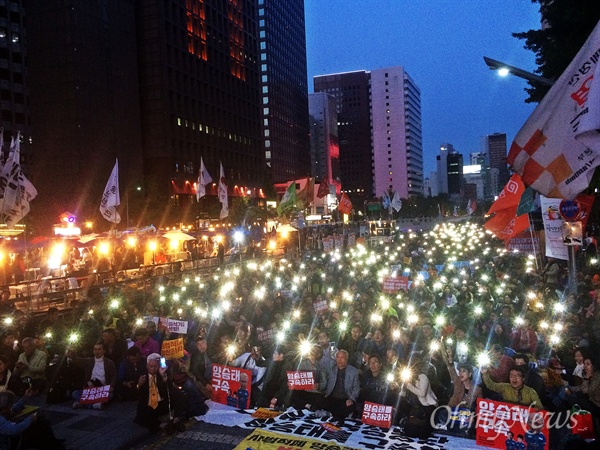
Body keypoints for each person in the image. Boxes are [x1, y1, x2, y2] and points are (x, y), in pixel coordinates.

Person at [134, 353, 186, 434]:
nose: (154, 369)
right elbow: (136, 392)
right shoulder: (142, 375)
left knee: (179, 394)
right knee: (144, 415)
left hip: (162, 402)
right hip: (150, 404)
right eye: (151, 366)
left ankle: (176, 420)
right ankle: (163, 425)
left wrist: (164, 379)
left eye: (156, 366)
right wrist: (139, 385)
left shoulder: (163, 372)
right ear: (147, 366)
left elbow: (169, 390)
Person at [0, 389, 65, 449]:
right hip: (5, 444)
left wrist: (25, 397)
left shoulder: (4, 410)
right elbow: (14, 430)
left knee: (41, 421)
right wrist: (30, 419)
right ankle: (51, 445)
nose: (11, 407)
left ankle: (52, 442)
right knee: (34, 426)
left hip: (7, 437)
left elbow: (15, 408)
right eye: (10, 404)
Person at [71, 341, 117, 409]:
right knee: (75, 393)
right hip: (90, 389)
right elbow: (77, 360)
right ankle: (94, 405)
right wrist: (72, 352)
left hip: (102, 389)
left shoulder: (109, 363)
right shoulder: (89, 361)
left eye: (99, 349)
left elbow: (114, 376)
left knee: (110, 395)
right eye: (95, 349)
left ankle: (83, 403)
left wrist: (111, 387)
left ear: (104, 351)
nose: (97, 351)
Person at [323, 349, 360, 425]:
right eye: (338, 357)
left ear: (346, 359)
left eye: (342, 357)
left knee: (348, 407)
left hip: (346, 398)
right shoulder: (331, 369)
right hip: (332, 397)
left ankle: (334, 415)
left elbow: (356, 388)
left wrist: (351, 399)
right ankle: (335, 415)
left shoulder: (354, 371)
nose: (339, 360)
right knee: (323, 403)